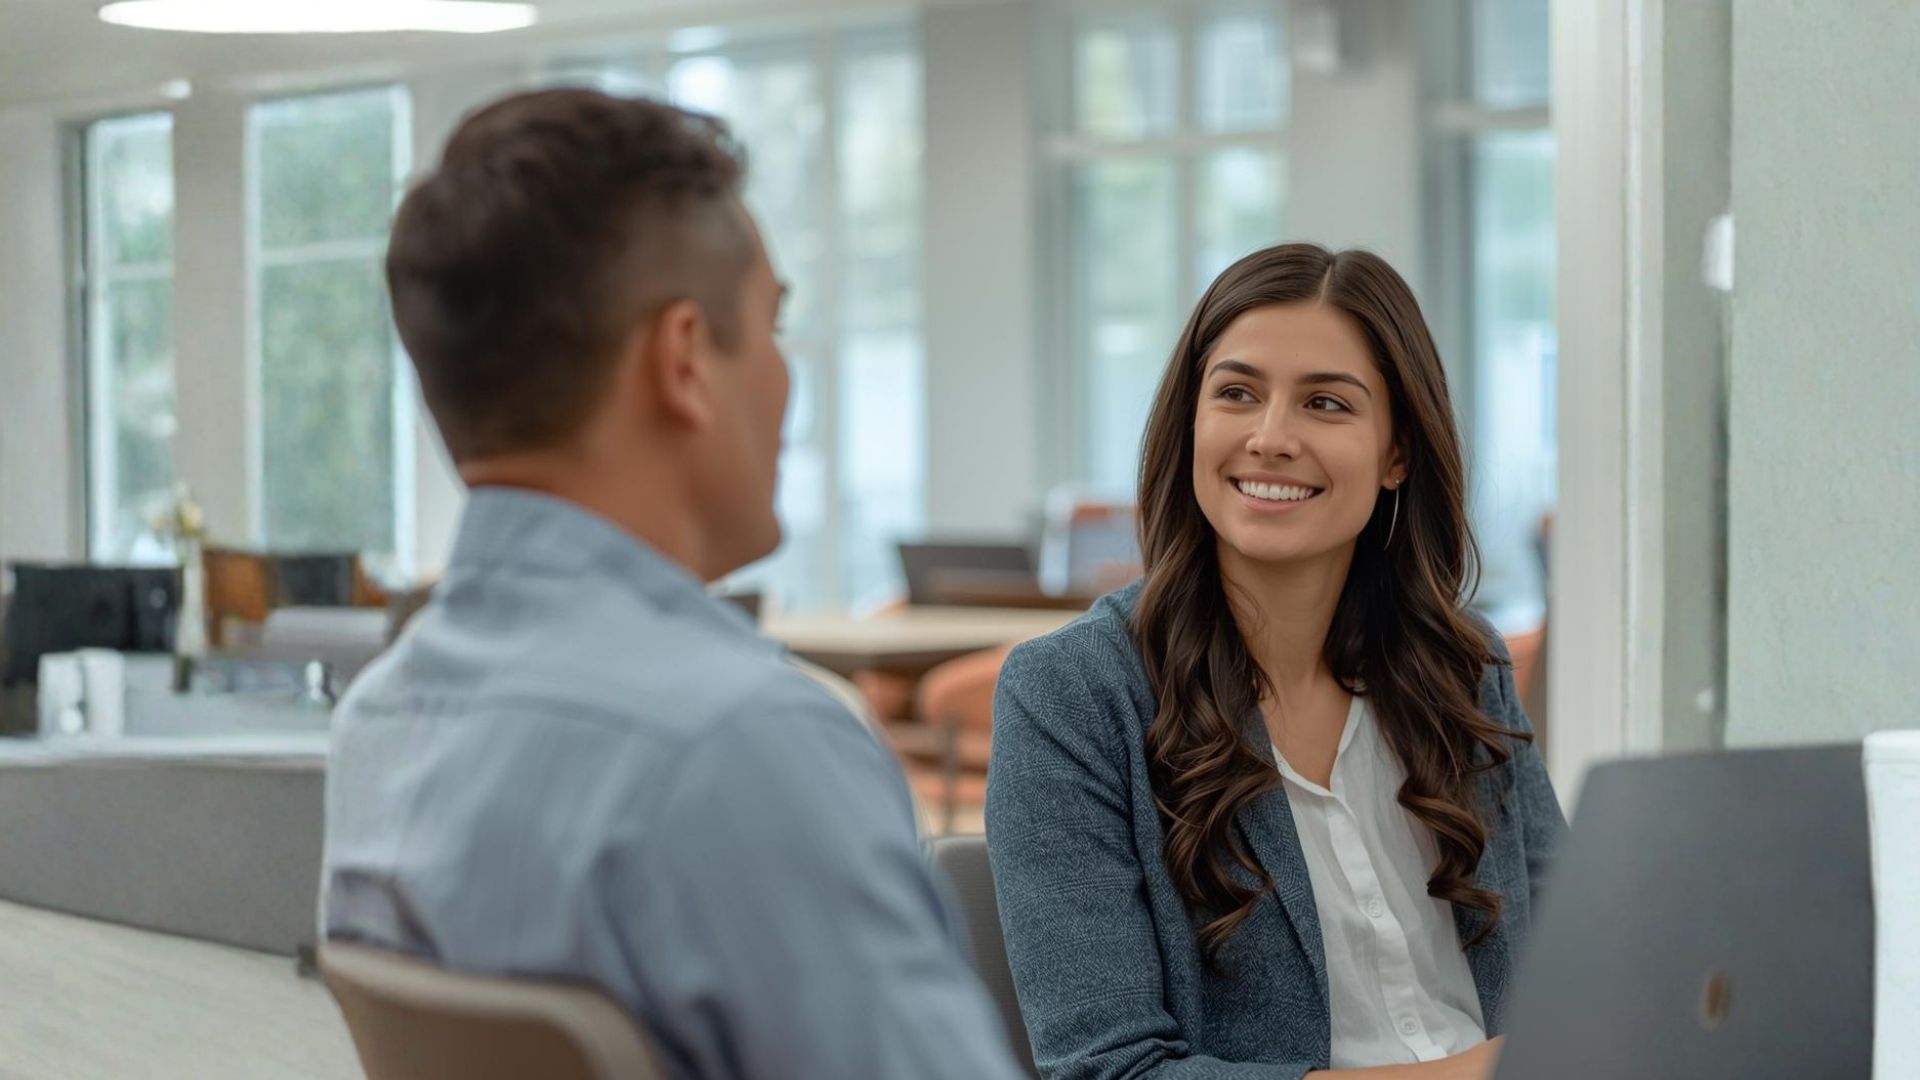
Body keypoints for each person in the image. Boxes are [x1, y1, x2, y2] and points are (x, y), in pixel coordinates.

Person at [319, 88, 1023, 1080]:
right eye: (774, 326)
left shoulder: (380, 722)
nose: (786, 379)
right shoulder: (745, 745)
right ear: (685, 359)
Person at [986, 244, 1566, 1080]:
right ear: (1192, 422)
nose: (1270, 438)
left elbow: (1580, 957)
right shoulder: (1075, 696)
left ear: (1397, 452)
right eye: (1236, 393)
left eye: (1326, 403)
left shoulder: (1462, 667)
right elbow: (1109, 1071)